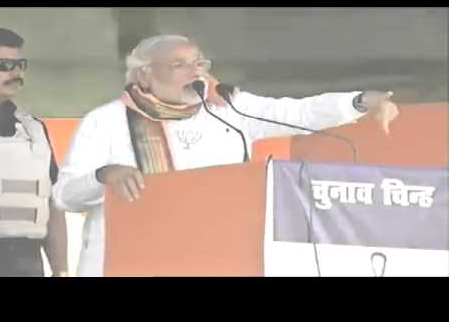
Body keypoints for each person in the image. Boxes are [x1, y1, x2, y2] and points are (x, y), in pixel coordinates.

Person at [52, 34, 399, 277]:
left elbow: (300, 113)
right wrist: (104, 174)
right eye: (179, 64)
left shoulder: (228, 109)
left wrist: (360, 101)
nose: (195, 73)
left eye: (198, 63)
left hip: (217, 255)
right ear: (145, 73)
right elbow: (65, 195)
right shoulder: (106, 120)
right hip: (131, 262)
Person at [0, 27, 68, 277]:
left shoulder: (33, 128)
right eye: (3, 65)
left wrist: (61, 270)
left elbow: (52, 204)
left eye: (20, 64)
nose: (16, 72)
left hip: (28, 265)